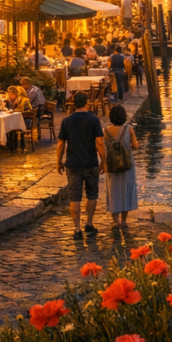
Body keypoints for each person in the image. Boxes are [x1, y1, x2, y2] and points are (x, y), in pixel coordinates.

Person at [57, 91, 106, 239]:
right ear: (87, 102)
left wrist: (59, 162)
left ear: (73, 103)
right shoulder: (94, 121)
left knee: (74, 197)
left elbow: (61, 144)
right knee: (92, 194)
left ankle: (77, 228)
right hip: (90, 162)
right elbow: (99, 143)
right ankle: (89, 223)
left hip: (72, 163)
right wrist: (103, 161)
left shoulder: (66, 121)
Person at [104, 104, 139, 228]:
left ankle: (115, 221)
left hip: (112, 164)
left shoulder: (106, 131)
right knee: (126, 190)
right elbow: (135, 146)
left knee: (114, 190)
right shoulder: (129, 129)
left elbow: (103, 147)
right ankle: (124, 221)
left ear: (111, 117)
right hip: (127, 164)